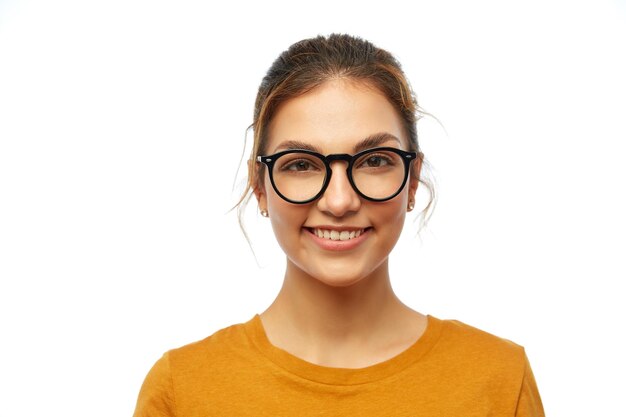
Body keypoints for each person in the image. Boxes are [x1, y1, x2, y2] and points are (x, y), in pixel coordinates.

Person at [133, 33, 545, 416]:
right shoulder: (182, 390)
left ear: (413, 179)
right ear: (259, 185)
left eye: (374, 161)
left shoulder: (499, 379)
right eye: (301, 165)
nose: (339, 201)